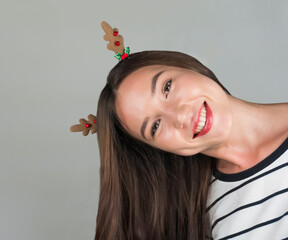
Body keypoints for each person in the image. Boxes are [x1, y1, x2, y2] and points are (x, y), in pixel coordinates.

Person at [94, 50, 288, 239]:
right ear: (158, 149)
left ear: (189, 66)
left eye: (167, 87)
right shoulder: (205, 220)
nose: (180, 116)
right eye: (155, 126)